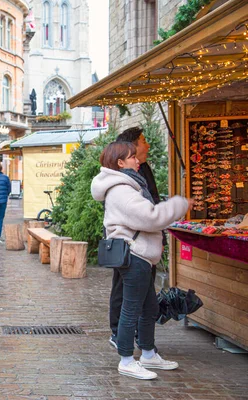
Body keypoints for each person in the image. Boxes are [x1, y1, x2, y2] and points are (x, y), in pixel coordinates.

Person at [91, 142, 192, 380]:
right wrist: (180, 204)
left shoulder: (127, 186)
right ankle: (126, 359)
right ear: (120, 163)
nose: (138, 161)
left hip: (141, 255)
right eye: (133, 157)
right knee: (132, 308)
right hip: (135, 255)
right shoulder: (122, 190)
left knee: (149, 307)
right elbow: (151, 217)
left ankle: (148, 353)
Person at [110, 127, 165, 350]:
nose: (148, 145)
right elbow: (141, 213)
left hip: (145, 248)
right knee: (128, 300)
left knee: (147, 303)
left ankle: (147, 349)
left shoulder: (141, 171)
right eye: (143, 141)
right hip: (133, 248)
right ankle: (123, 345)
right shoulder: (122, 183)